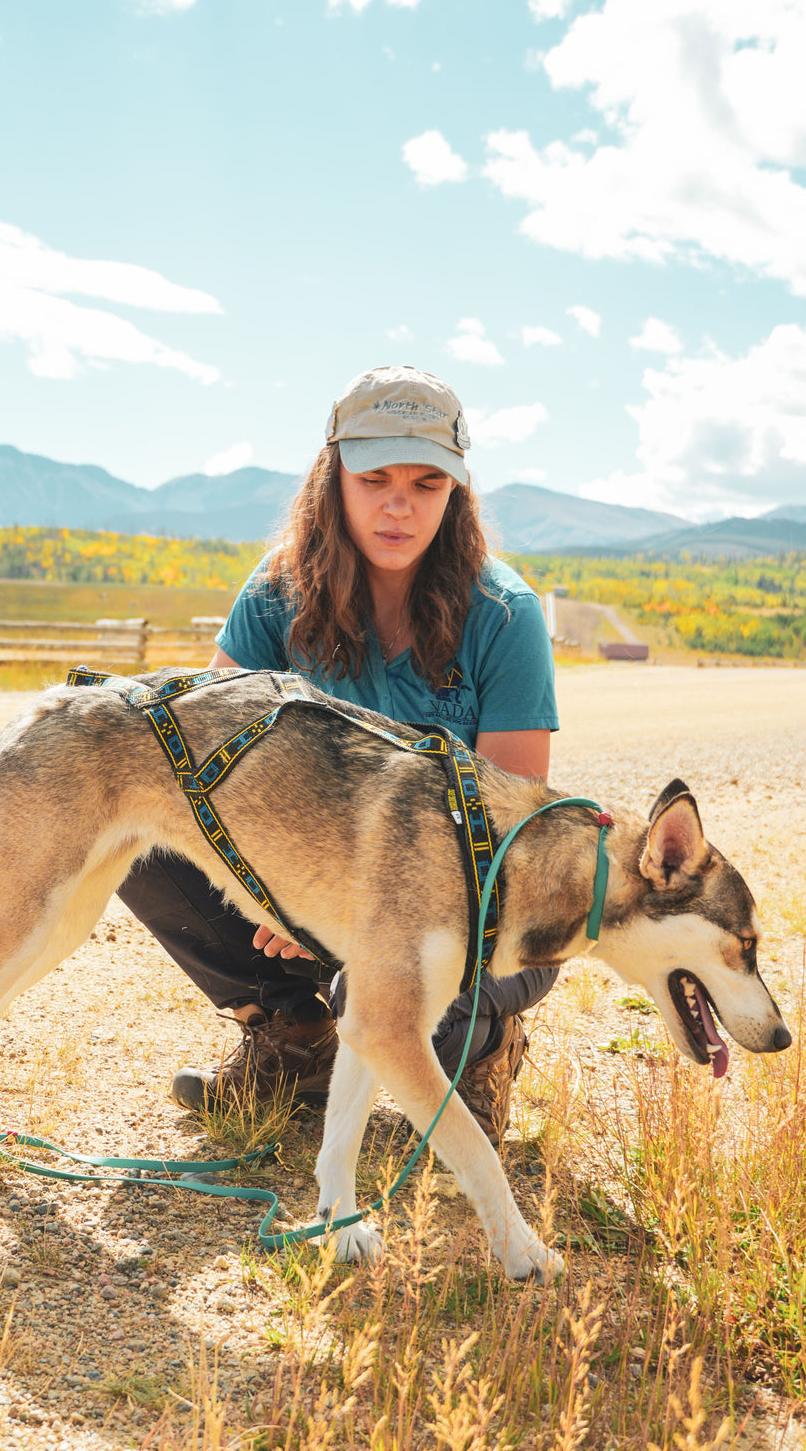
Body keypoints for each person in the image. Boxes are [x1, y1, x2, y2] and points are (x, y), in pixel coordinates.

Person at [118, 365, 559, 1144]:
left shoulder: (505, 615)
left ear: (456, 493)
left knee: (437, 999)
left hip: (465, 906)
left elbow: (513, 842)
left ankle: (483, 1053)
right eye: (376, 477)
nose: (400, 504)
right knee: (137, 826)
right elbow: (195, 770)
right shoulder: (273, 596)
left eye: (427, 483)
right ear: (335, 479)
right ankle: (292, 1037)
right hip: (310, 882)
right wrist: (283, 891)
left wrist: (341, 912)